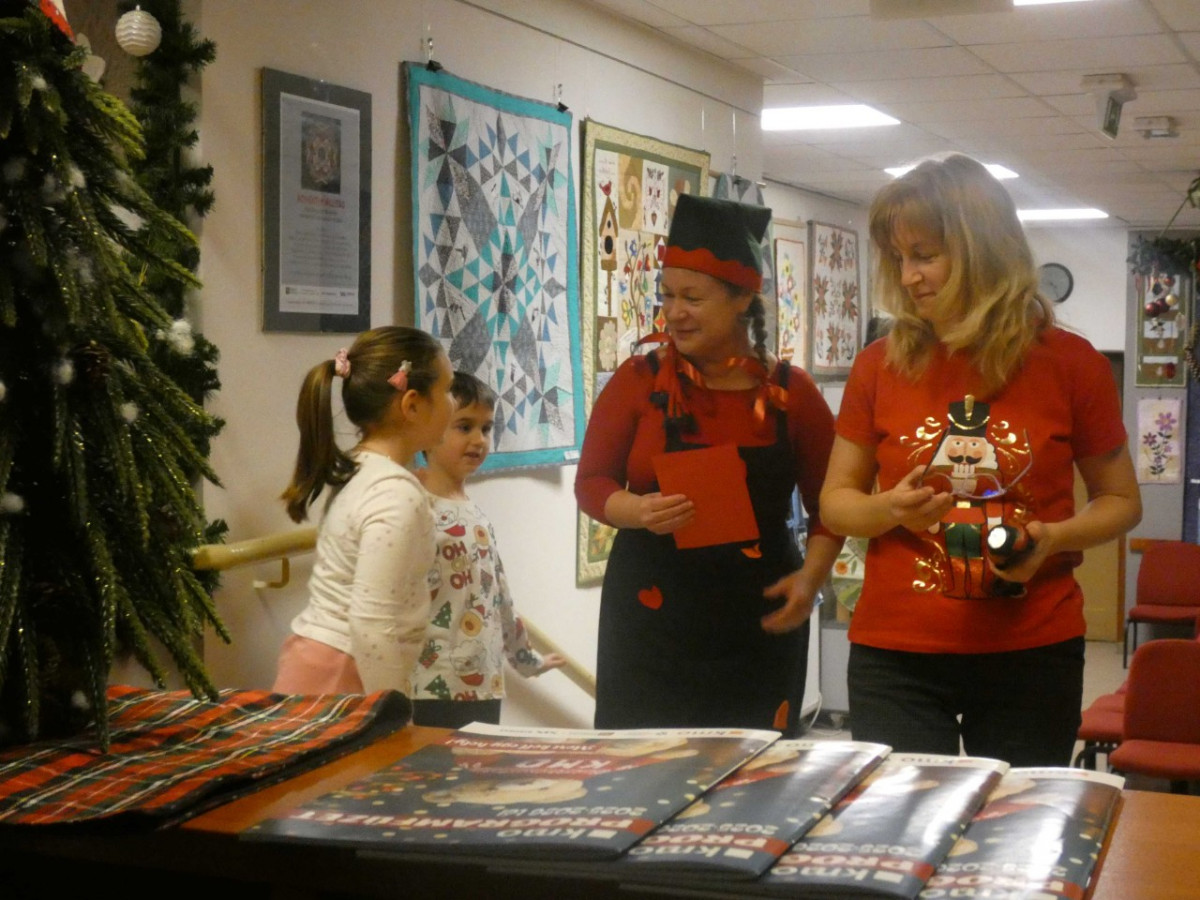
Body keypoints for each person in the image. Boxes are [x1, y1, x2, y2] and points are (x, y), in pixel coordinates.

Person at [819, 153, 1141, 767]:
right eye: (898, 258)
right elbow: (837, 505)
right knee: (903, 818)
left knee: (1019, 820)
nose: (909, 277)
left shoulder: (1073, 365)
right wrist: (891, 509)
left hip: (1031, 648)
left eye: (925, 255)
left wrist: (1052, 538)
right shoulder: (878, 365)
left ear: (982, 250)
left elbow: (1122, 502)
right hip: (897, 653)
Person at [574, 193, 842, 737]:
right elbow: (592, 482)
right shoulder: (638, 382)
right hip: (651, 612)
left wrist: (810, 579)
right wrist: (635, 510)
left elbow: (831, 506)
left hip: (760, 613)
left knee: (755, 765)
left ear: (742, 299)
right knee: (645, 761)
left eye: (692, 298)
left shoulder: (793, 394)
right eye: (667, 295)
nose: (674, 312)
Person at [273, 326, 454, 696]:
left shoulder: (362, 470)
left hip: (324, 660)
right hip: (342, 670)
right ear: (412, 405)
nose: (454, 403)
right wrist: (392, 714)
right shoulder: (395, 493)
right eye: (448, 390)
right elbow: (372, 624)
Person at [410, 371, 565, 727]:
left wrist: (526, 660)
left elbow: (498, 597)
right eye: (464, 427)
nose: (478, 440)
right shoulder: (413, 506)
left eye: (486, 428)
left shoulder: (475, 514)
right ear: (429, 431)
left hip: (484, 684)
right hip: (429, 686)